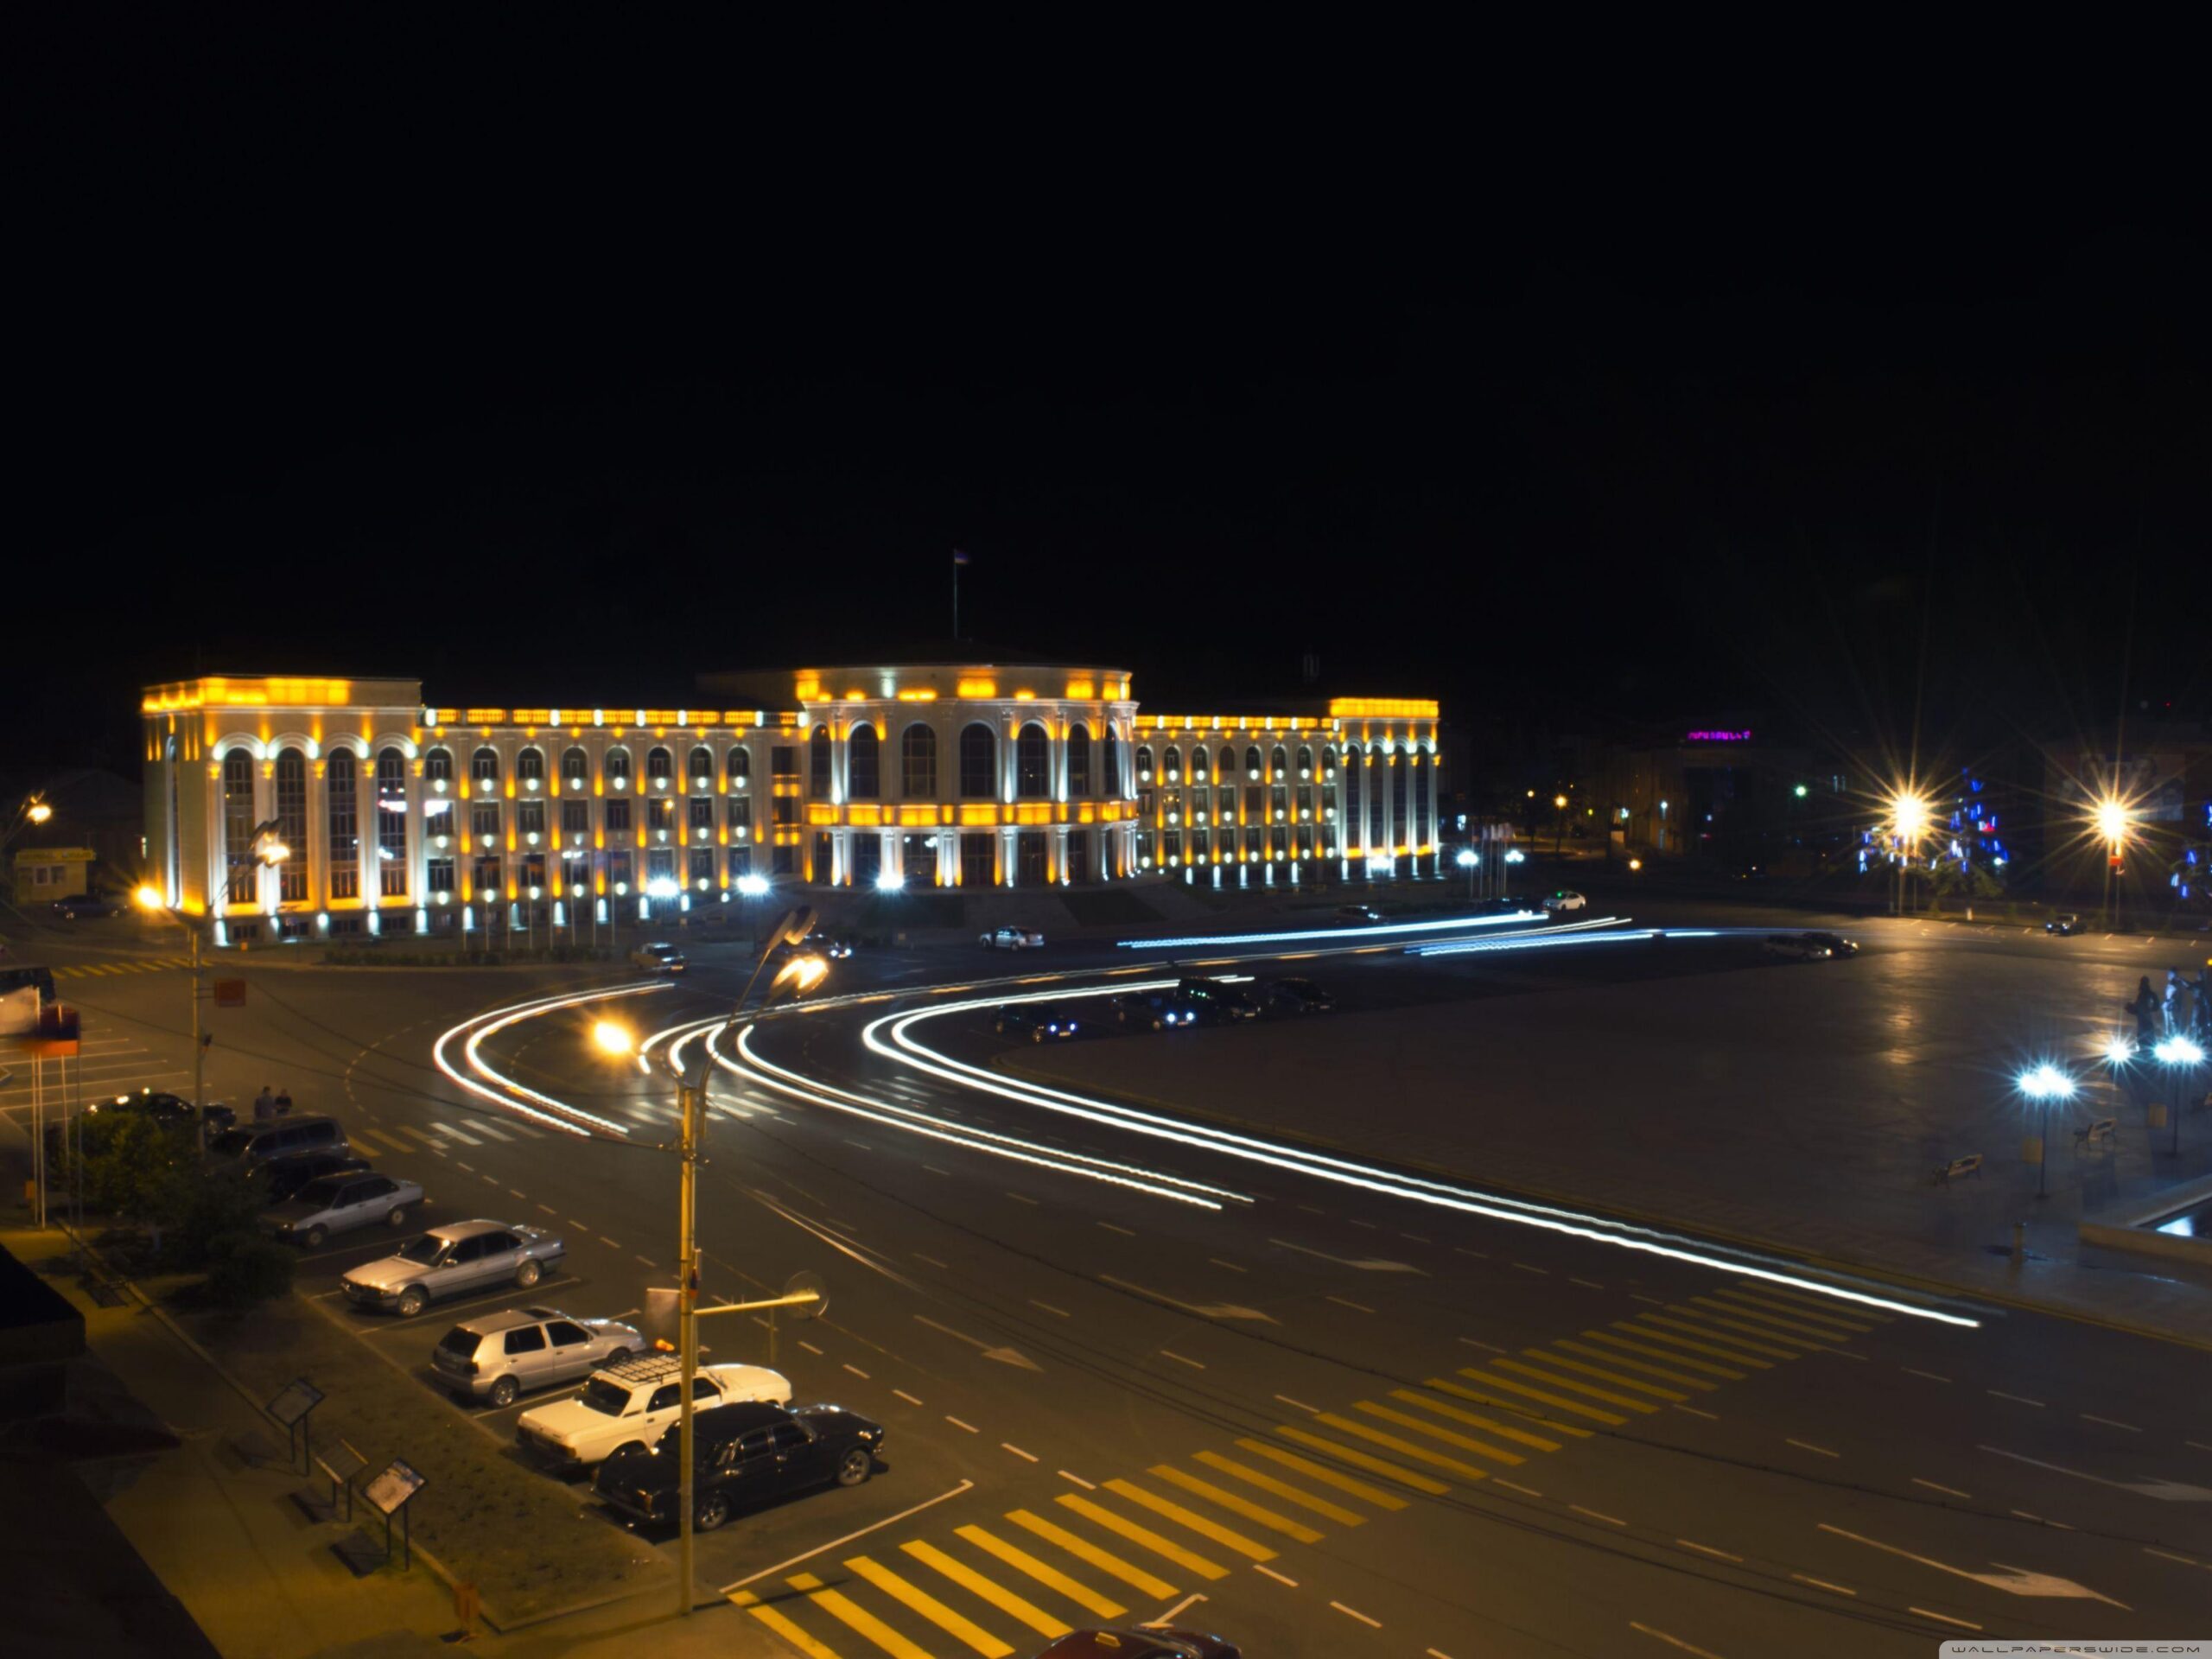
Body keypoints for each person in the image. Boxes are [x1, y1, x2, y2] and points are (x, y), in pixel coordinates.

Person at [2127, 975, 2157, 1042]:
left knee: (2144, 1035)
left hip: (2144, 1019)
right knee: (2147, 1034)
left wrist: (2131, 1008)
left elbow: (2138, 1007)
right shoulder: (2149, 994)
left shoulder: (2145, 994)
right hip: (2145, 1018)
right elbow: (2155, 1007)